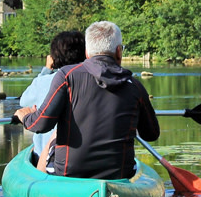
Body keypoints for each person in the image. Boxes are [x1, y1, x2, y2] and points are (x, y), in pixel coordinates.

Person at [13, 21, 158, 179]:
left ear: (87, 53)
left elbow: (39, 124)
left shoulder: (67, 76)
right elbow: (151, 134)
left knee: (54, 136)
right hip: (119, 174)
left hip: (69, 173)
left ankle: (40, 187)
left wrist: (24, 116)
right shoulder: (134, 85)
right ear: (119, 51)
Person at [18, 30, 85, 171]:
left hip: (45, 156)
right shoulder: (89, 81)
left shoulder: (43, 82)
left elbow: (24, 101)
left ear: (53, 57)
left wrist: (46, 70)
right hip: (78, 157)